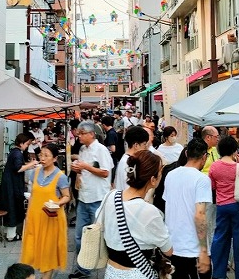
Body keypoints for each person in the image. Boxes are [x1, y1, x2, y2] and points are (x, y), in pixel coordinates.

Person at [99, 150, 173, 279]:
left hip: (111, 271)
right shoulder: (150, 212)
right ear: (153, 180)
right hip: (139, 273)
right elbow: (168, 250)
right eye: (160, 173)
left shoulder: (110, 196)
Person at [69, 120, 114, 279]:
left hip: (98, 198)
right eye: (78, 133)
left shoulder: (101, 150)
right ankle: (83, 268)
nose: (79, 135)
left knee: (99, 235)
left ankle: (107, 266)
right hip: (84, 196)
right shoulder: (82, 149)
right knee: (80, 236)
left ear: (91, 134)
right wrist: (77, 169)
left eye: (82, 133)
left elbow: (105, 173)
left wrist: (84, 167)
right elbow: (83, 167)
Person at [164, 138, 212, 279]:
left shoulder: (170, 175)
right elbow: (200, 215)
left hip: (172, 246)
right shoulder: (202, 180)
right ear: (204, 156)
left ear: (186, 153)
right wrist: (203, 250)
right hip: (192, 250)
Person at [21, 144, 71, 279]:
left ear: (54, 158)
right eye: (41, 155)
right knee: (30, 252)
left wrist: (57, 203)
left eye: (46, 155)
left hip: (51, 219)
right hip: (34, 218)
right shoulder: (34, 172)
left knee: (48, 254)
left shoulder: (60, 176)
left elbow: (67, 196)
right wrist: (27, 215)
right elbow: (32, 195)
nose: (42, 158)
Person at [208, 135, 239, 279]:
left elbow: (212, 186)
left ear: (219, 150)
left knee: (220, 239)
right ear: (235, 150)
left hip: (221, 206)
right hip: (238, 206)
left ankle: (218, 273)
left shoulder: (214, 166)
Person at [0, 133, 39, 241]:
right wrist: (32, 164)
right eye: (27, 144)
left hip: (9, 183)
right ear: (21, 143)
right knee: (12, 207)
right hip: (12, 184)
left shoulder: (14, 152)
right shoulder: (17, 154)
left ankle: (8, 232)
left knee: (8, 206)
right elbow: (18, 168)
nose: (27, 146)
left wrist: (29, 165)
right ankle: (11, 235)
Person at [114, 126, 149, 191]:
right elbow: (128, 188)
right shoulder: (129, 163)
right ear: (136, 145)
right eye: (144, 144)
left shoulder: (125, 159)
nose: (146, 148)